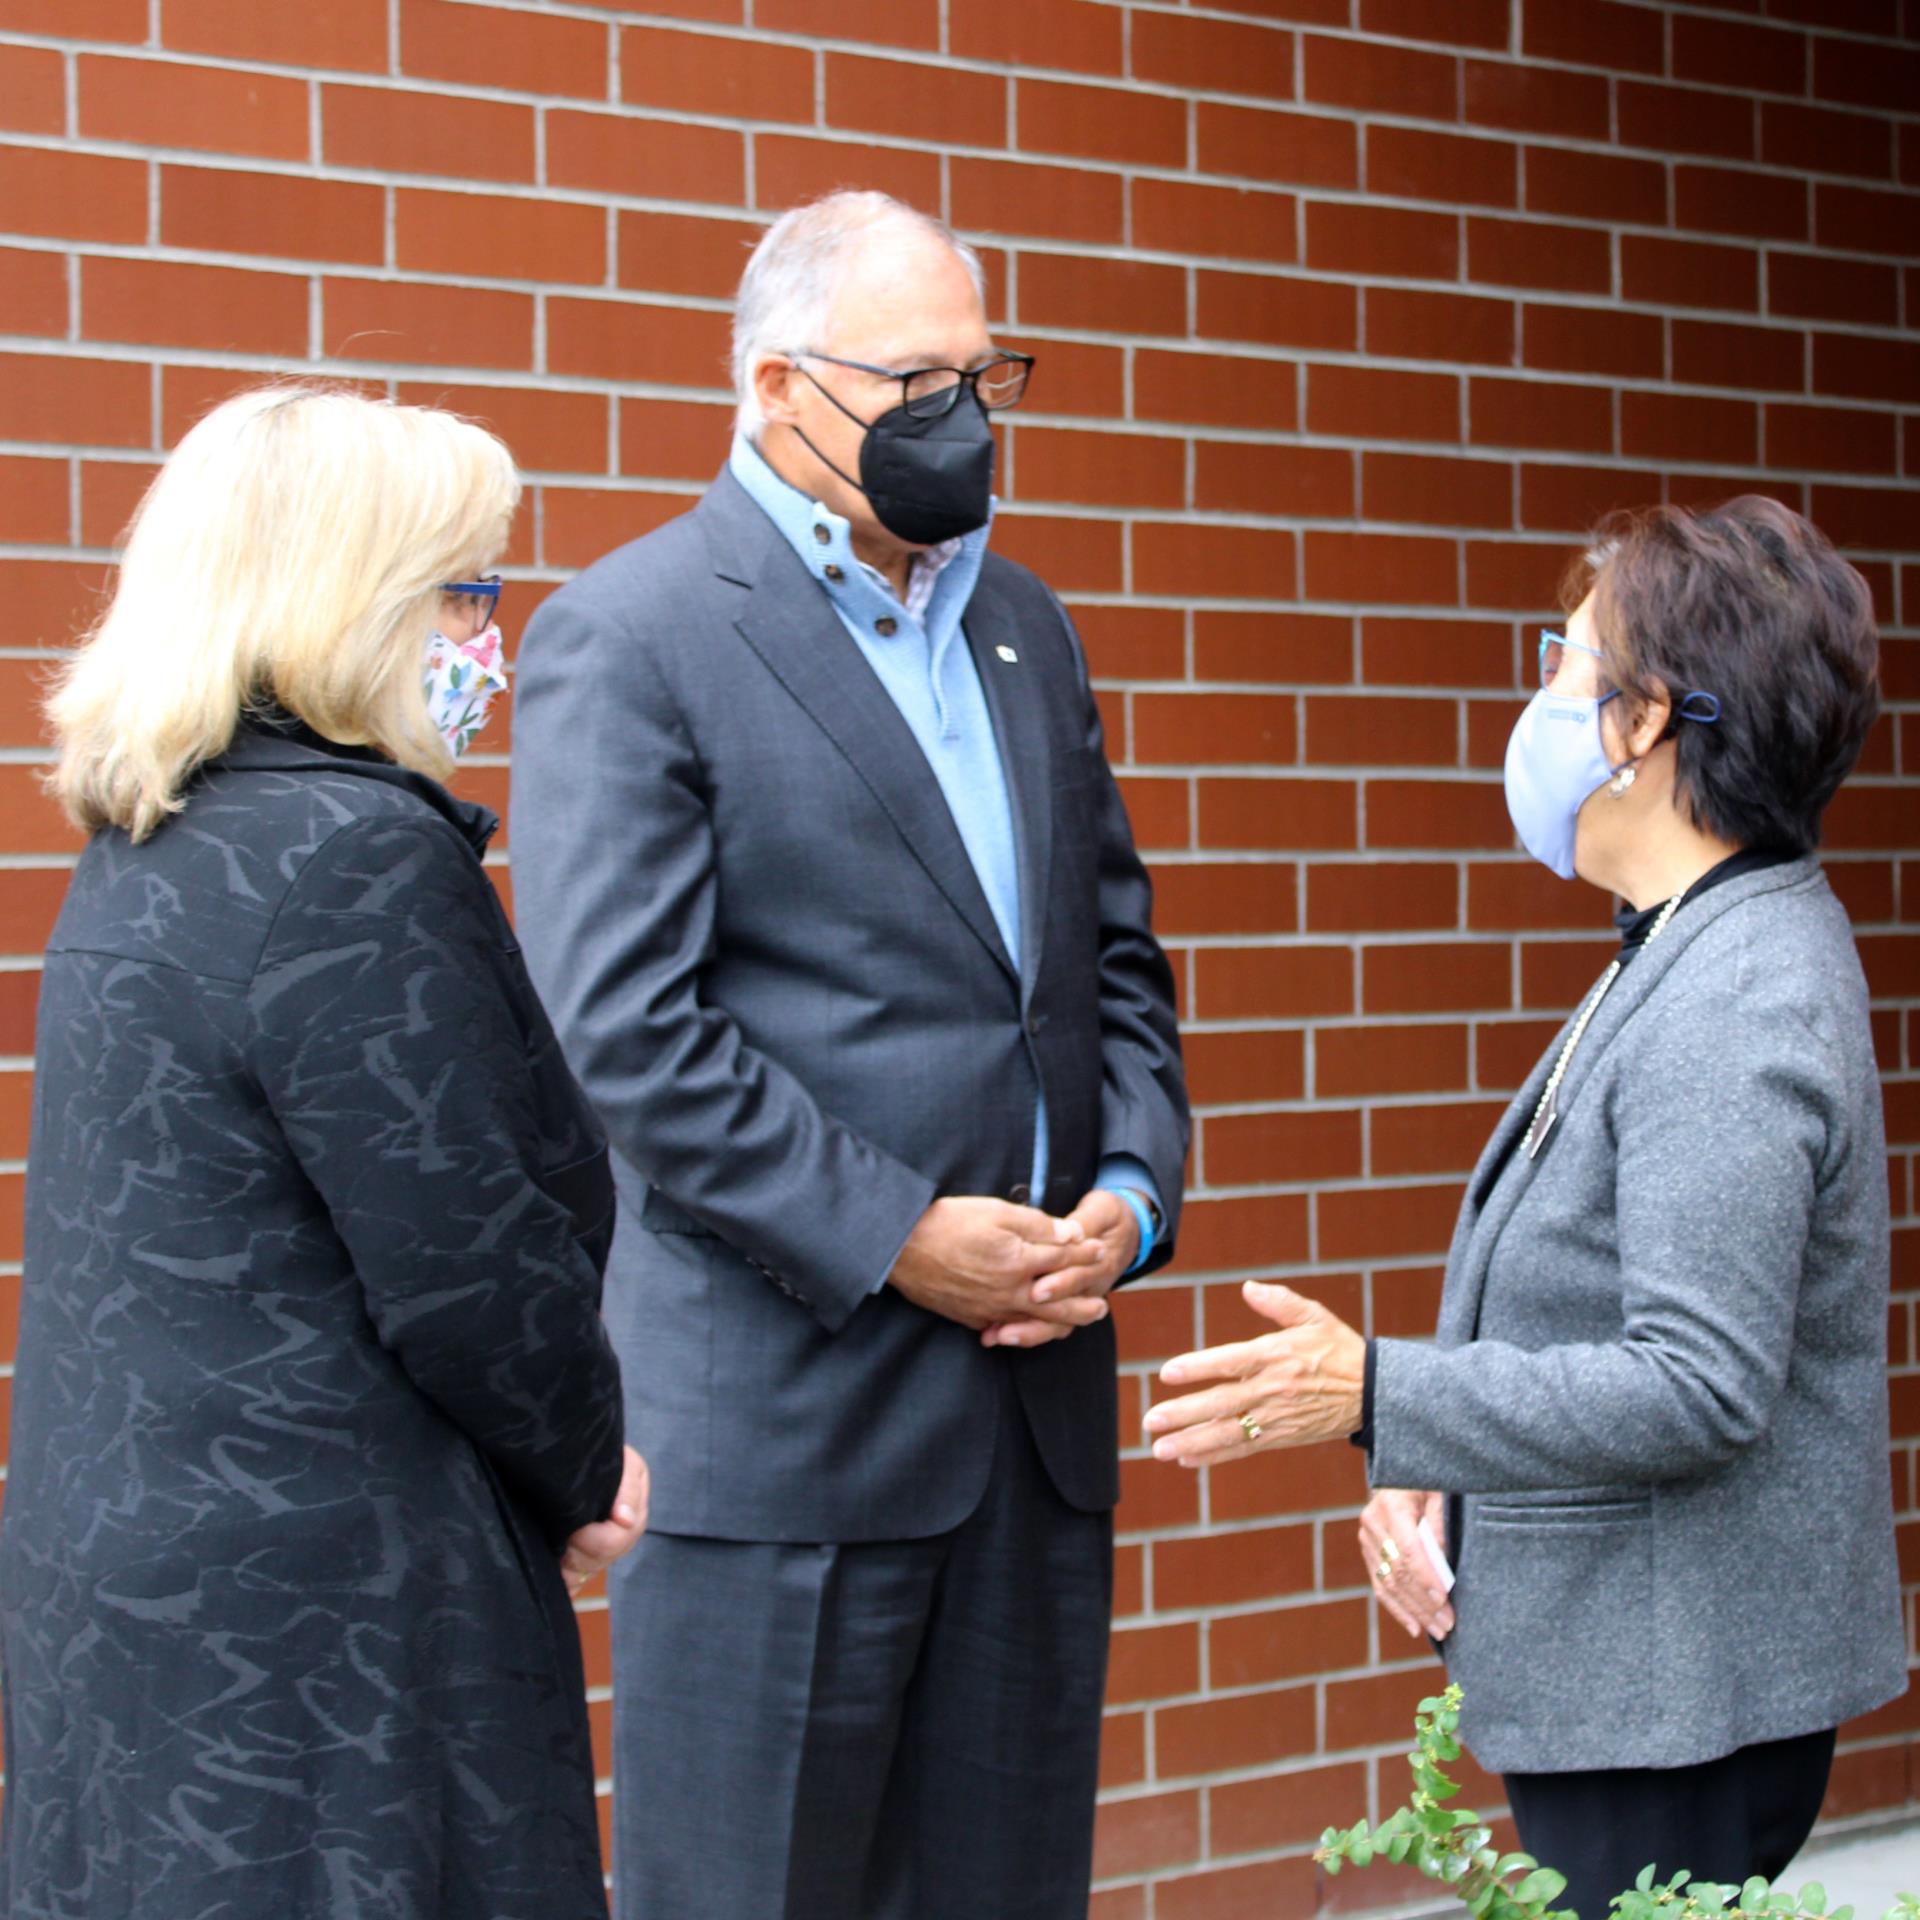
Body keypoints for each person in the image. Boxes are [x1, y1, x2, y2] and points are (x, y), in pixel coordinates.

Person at [509, 190, 1189, 1920]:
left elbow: (1113, 967)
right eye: (915, 384)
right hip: (786, 1447)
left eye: (987, 377)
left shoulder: (1028, 628)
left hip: (1032, 1430)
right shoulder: (634, 635)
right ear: (771, 389)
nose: (963, 421)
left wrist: (1129, 1191)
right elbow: (630, 1039)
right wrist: (902, 1237)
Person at [1143, 497, 1904, 1914]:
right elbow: (1579, 1290)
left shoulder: (1731, 996)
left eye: (1564, 667)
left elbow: (1696, 1384)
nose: (1539, 705)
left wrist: (1373, 1389)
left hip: (1681, 1704)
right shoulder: (1688, 947)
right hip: (1649, 1685)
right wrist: (1437, 1455)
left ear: (1647, 723)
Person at [3, 383, 648, 1920]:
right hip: (325, 1627)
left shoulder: (159, 838)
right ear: (360, 602)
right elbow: (469, 1264)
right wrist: (576, 1474)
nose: (488, 633)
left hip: (152, 1595)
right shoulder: (352, 854)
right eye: (469, 586)